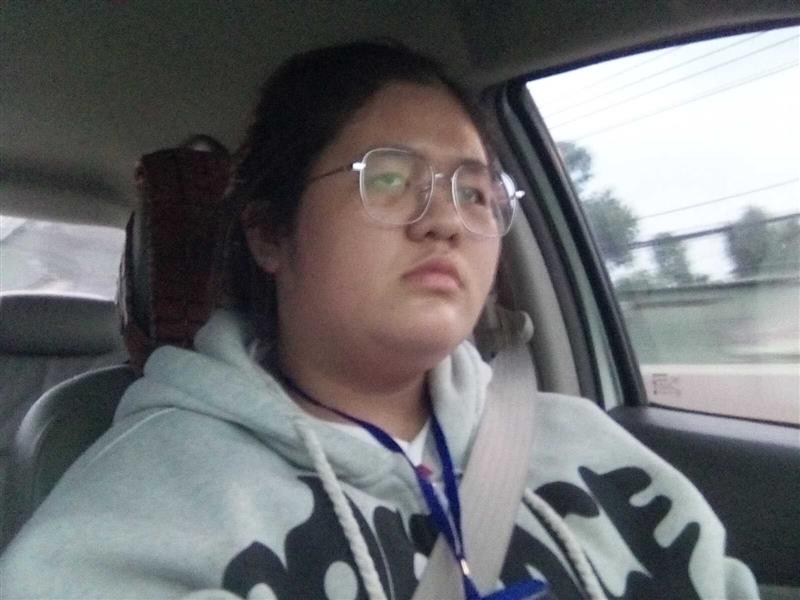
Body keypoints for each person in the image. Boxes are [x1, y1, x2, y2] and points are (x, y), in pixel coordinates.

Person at [0, 42, 758, 600]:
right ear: (269, 234)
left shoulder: (594, 450)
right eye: (390, 179)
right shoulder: (146, 510)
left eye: (474, 192)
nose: (445, 221)